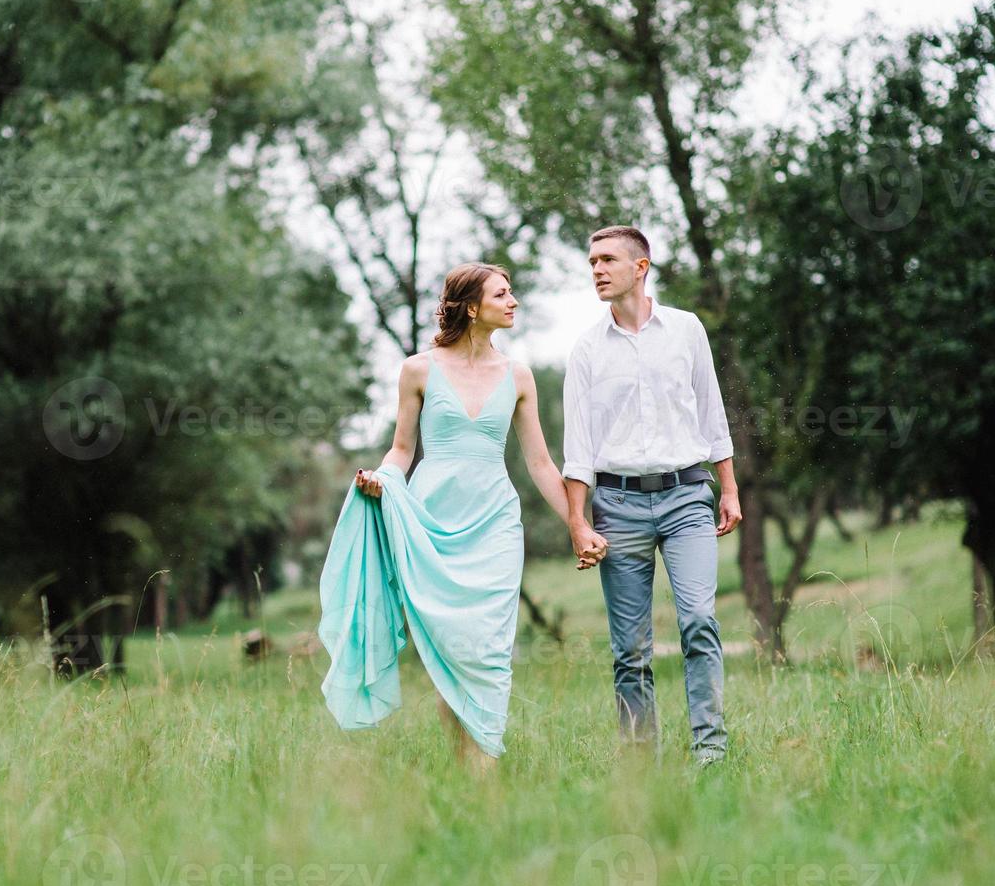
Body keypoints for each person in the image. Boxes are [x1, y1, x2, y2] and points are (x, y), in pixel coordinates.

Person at [318, 261, 608, 772]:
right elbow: (402, 450)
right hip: (432, 523)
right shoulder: (418, 369)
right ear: (473, 307)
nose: (514, 301)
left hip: (494, 521)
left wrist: (577, 524)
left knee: (490, 650)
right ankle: (464, 770)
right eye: (503, 294)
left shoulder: (518, 376)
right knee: (450, 650)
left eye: (512, 291)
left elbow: (540, 463)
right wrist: (381, 482)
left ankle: (485, 767)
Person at [561, 226, 743, 766]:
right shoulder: (586, 350)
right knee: (631, 650)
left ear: (641, 267)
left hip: (688, 497)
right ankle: (641, 764)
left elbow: (712, 414)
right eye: (592, 261)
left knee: (698, 621)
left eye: (607, 259)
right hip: (616, 507)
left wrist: (727, 487)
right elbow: (578, 447)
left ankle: (710, 752)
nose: (596, 269)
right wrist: (578, 521)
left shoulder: (687, 330)